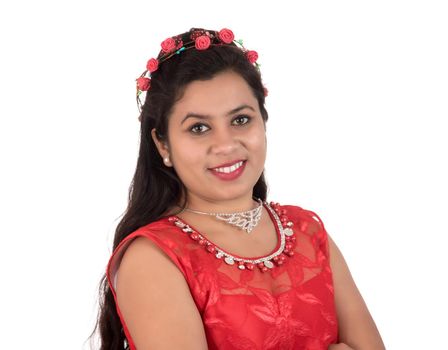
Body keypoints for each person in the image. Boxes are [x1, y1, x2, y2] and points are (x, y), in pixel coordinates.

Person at [92, 27, 385, 350]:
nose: (225, 144)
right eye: (199, 128)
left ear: (263, 120)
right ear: (162, 143)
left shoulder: (307, 231)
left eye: (241, 120)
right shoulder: (154, 257)